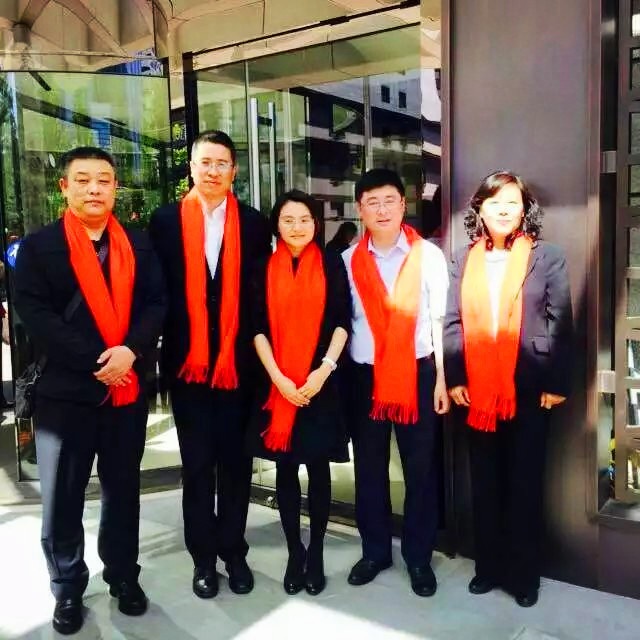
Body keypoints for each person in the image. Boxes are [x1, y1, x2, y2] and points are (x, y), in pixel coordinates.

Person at [14, 146, 166, 635]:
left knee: (123, 493)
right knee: (63, 499)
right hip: (65, 397)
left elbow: (157, 303)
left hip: (125, 393)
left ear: (116, 187)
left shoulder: (139, 245)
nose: (94, 189)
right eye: (82, 180)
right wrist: (98, 361)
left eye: (103, 180)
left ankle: (123, 577)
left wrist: (131, 352)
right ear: (65, 187)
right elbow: (36, 316)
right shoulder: (39, 247)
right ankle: (67, 588)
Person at [149, 130, 272, 599]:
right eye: (205, 162)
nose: (213, 171)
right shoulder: (165, 221)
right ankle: (203, 558)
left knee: (237, 465)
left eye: (222, 163)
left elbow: (260, 297)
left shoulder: (255, 224)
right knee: (198, 466)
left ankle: (234, 551)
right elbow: (156, 293)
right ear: (192, 167)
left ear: (233, 170)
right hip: (188, 367)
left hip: (240, 368)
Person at [443, 170, 573, 608]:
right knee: (485, 482)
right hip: (477, 391)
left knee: (524, 483)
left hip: (530, 387)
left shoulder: (546, 256)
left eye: (512, 202)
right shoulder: (463, 259)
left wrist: (556, 381)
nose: (503, 209)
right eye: (495, 201)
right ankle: (488, 568)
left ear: (524, 210)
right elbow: (453, 321)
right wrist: (456, 376)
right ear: (480, 208)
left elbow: (561, 320)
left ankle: (523, 576)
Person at [342, 168, 449, 597]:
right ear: (360, 209)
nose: (382, 209)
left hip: (416, 374)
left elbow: (440, 321)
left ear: (404, 205)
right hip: (364, 376)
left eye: (389, 200)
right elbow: (343, 323)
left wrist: (442, 380)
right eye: (372, 202)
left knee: (419, 469)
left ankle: (418, 558)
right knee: (369, 469)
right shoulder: (347, 261)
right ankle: (375, 552)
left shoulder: (428, 256)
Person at [247, 190, 351, 596]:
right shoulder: (262, 267)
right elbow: (256, 327)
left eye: (305, 219)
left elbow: (342, 321)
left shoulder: (331, 262)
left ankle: (317, 551)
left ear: (316, 224)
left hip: (319, 383)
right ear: (277, 225)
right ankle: (295, 552)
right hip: (278, 386)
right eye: (288, 220)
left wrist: (324, 370)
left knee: (319, 469)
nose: (297, 227)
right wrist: (279, 379)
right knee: (286, 471)